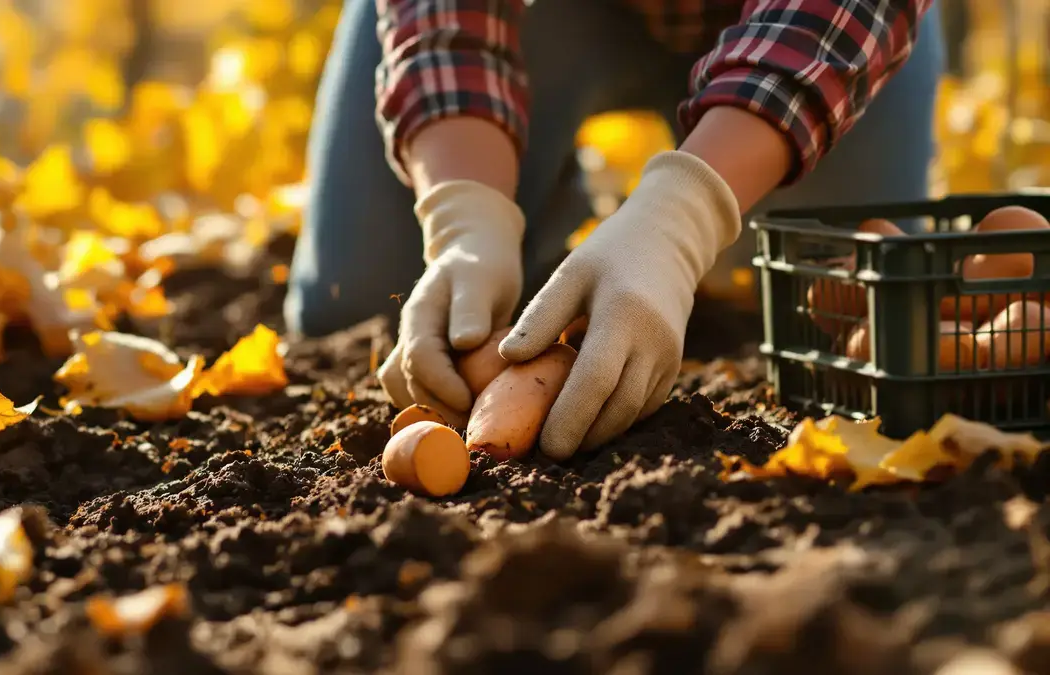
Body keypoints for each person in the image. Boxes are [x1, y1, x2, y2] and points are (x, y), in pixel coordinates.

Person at [284, 0, 945, 460]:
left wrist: (680, 217)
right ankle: (542, 227)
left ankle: (633, 230)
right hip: (549, 14)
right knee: (359, 295)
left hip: (817, 25)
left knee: (841, 315)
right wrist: (465, 217)